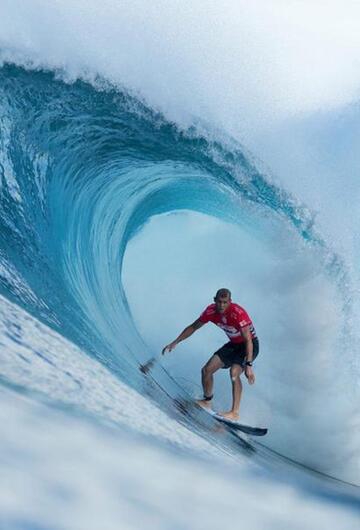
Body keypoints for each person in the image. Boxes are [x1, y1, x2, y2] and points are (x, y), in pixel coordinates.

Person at [162, 288, 259, 420]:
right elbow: (193, 327)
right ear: (214, 300)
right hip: (234, 345)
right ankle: (207, 401)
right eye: (219, 302)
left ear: (230, 302)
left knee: (234, 372)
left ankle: (235, 412)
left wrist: (248, 365)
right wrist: (176, 341)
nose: (222, 305)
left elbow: (248, 340)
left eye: (225, 302)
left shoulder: (238, 313)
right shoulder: (211, 311)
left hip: (250, 345)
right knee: (207, 370)